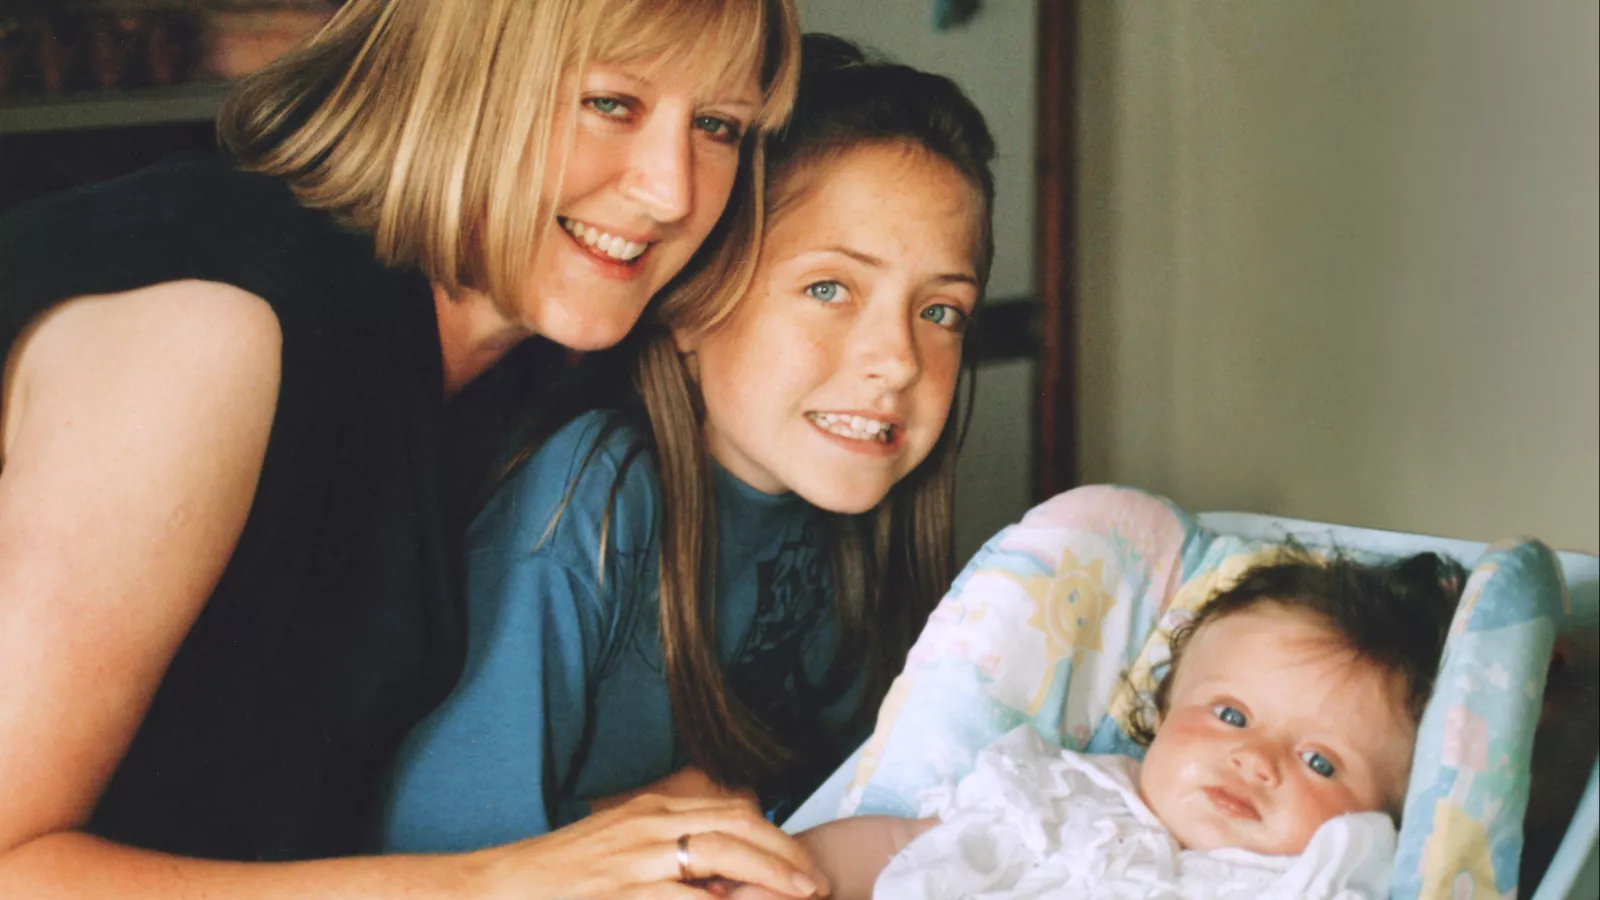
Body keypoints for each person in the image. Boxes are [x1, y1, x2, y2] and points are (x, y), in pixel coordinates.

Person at [0, 0, 821, 896]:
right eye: (610, 104)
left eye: (717, 127)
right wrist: (491, 883)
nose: (673, 191)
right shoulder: (210, 332)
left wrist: (614, 833)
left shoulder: (530, 373)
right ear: (461, 76)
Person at [378, 34, 997, 897]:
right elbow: (447, 866)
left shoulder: (845, 525)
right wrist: (664, 824)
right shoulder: (587, 501)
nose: (897, 359)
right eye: (829, 289)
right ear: (693, 304)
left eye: (940, 310)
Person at [724, 548, 1466, 899]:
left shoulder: (1317, 880)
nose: (1257, 760)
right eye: (1231, 715)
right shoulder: (1053, 791)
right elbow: (900, 843)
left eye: (1322, 763)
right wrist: (797, 873)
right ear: (1166, 708)